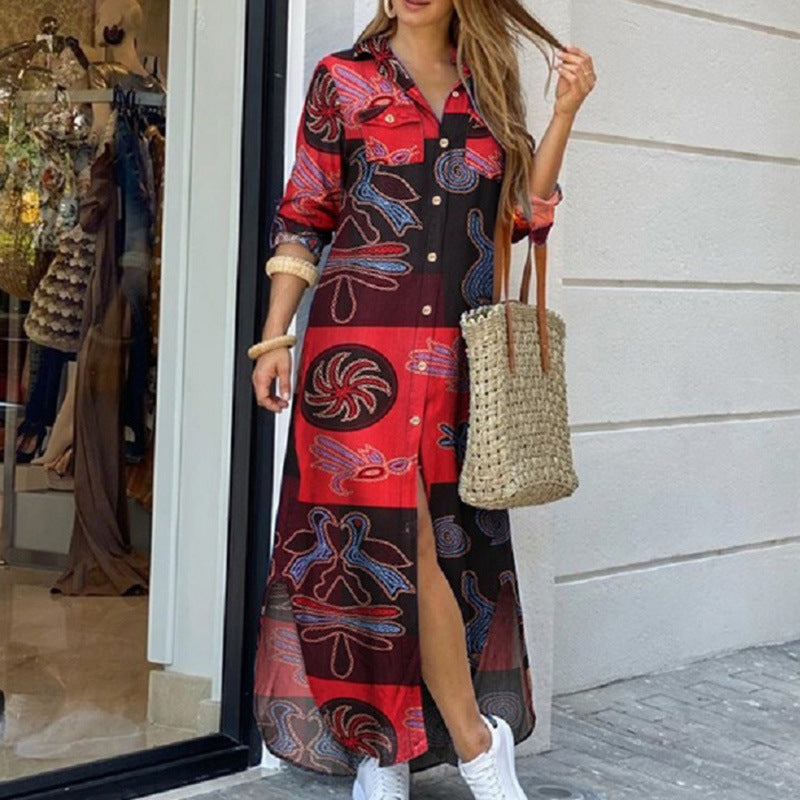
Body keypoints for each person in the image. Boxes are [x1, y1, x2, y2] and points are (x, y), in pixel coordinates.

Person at [250, 1, 595, 798]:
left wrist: (565, 112)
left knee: (432, 547)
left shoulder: (488, 90)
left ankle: (391, 749)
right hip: (355, 358)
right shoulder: (342, 81)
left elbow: (521, 214)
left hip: (452, 365)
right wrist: (275, 337)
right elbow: (304, 216)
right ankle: (471, 747)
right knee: (386, 547)